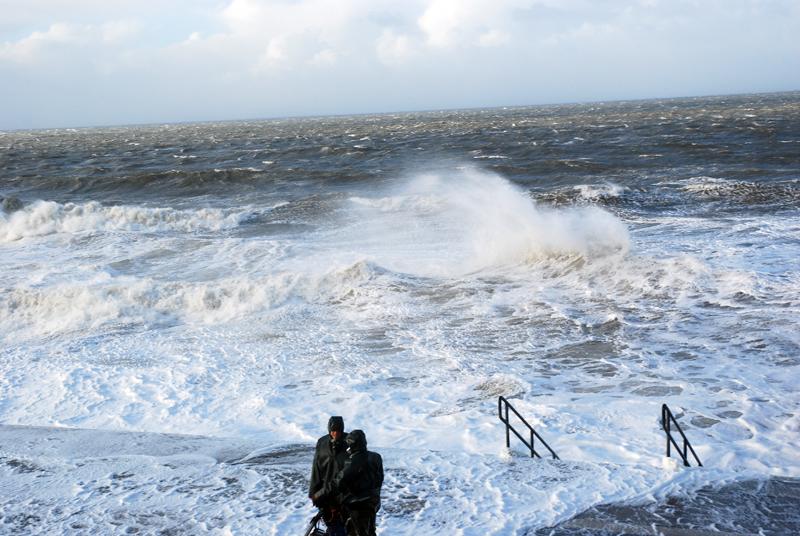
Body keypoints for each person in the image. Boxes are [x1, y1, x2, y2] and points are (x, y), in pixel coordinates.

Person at [329, 429, 384, 536]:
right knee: (370, 531)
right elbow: (380, 478)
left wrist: (325, 493)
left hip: (358, 505)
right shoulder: (376, 457)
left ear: (352, 444)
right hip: (374, 501)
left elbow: (339, 482)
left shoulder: (353, 461)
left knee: (357, 532)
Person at [309, 416, 349, 536]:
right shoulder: (322, 443)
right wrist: (314, 493)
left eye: (338, 430)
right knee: (332, 525)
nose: (336, 433)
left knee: (341, 527)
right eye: (333, 430)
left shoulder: (349, 441)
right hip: (326, 493)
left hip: (345, 494)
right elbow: (316, 468)